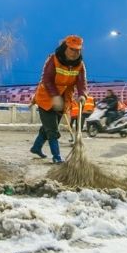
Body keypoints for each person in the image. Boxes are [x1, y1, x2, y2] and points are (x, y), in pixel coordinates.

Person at [30, 35, 87, 163]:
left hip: (64, 99)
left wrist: (82, 94)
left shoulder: (80, 65)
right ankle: (57, 157)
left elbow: (81, 82)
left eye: (77, 50)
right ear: (65, 47)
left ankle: (36, 147)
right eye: (72, 49)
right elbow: (47, 80)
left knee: (48, 127)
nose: (74, 53)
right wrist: (55, 96)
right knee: (52, 130)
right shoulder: (53, 60)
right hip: (46, 97)